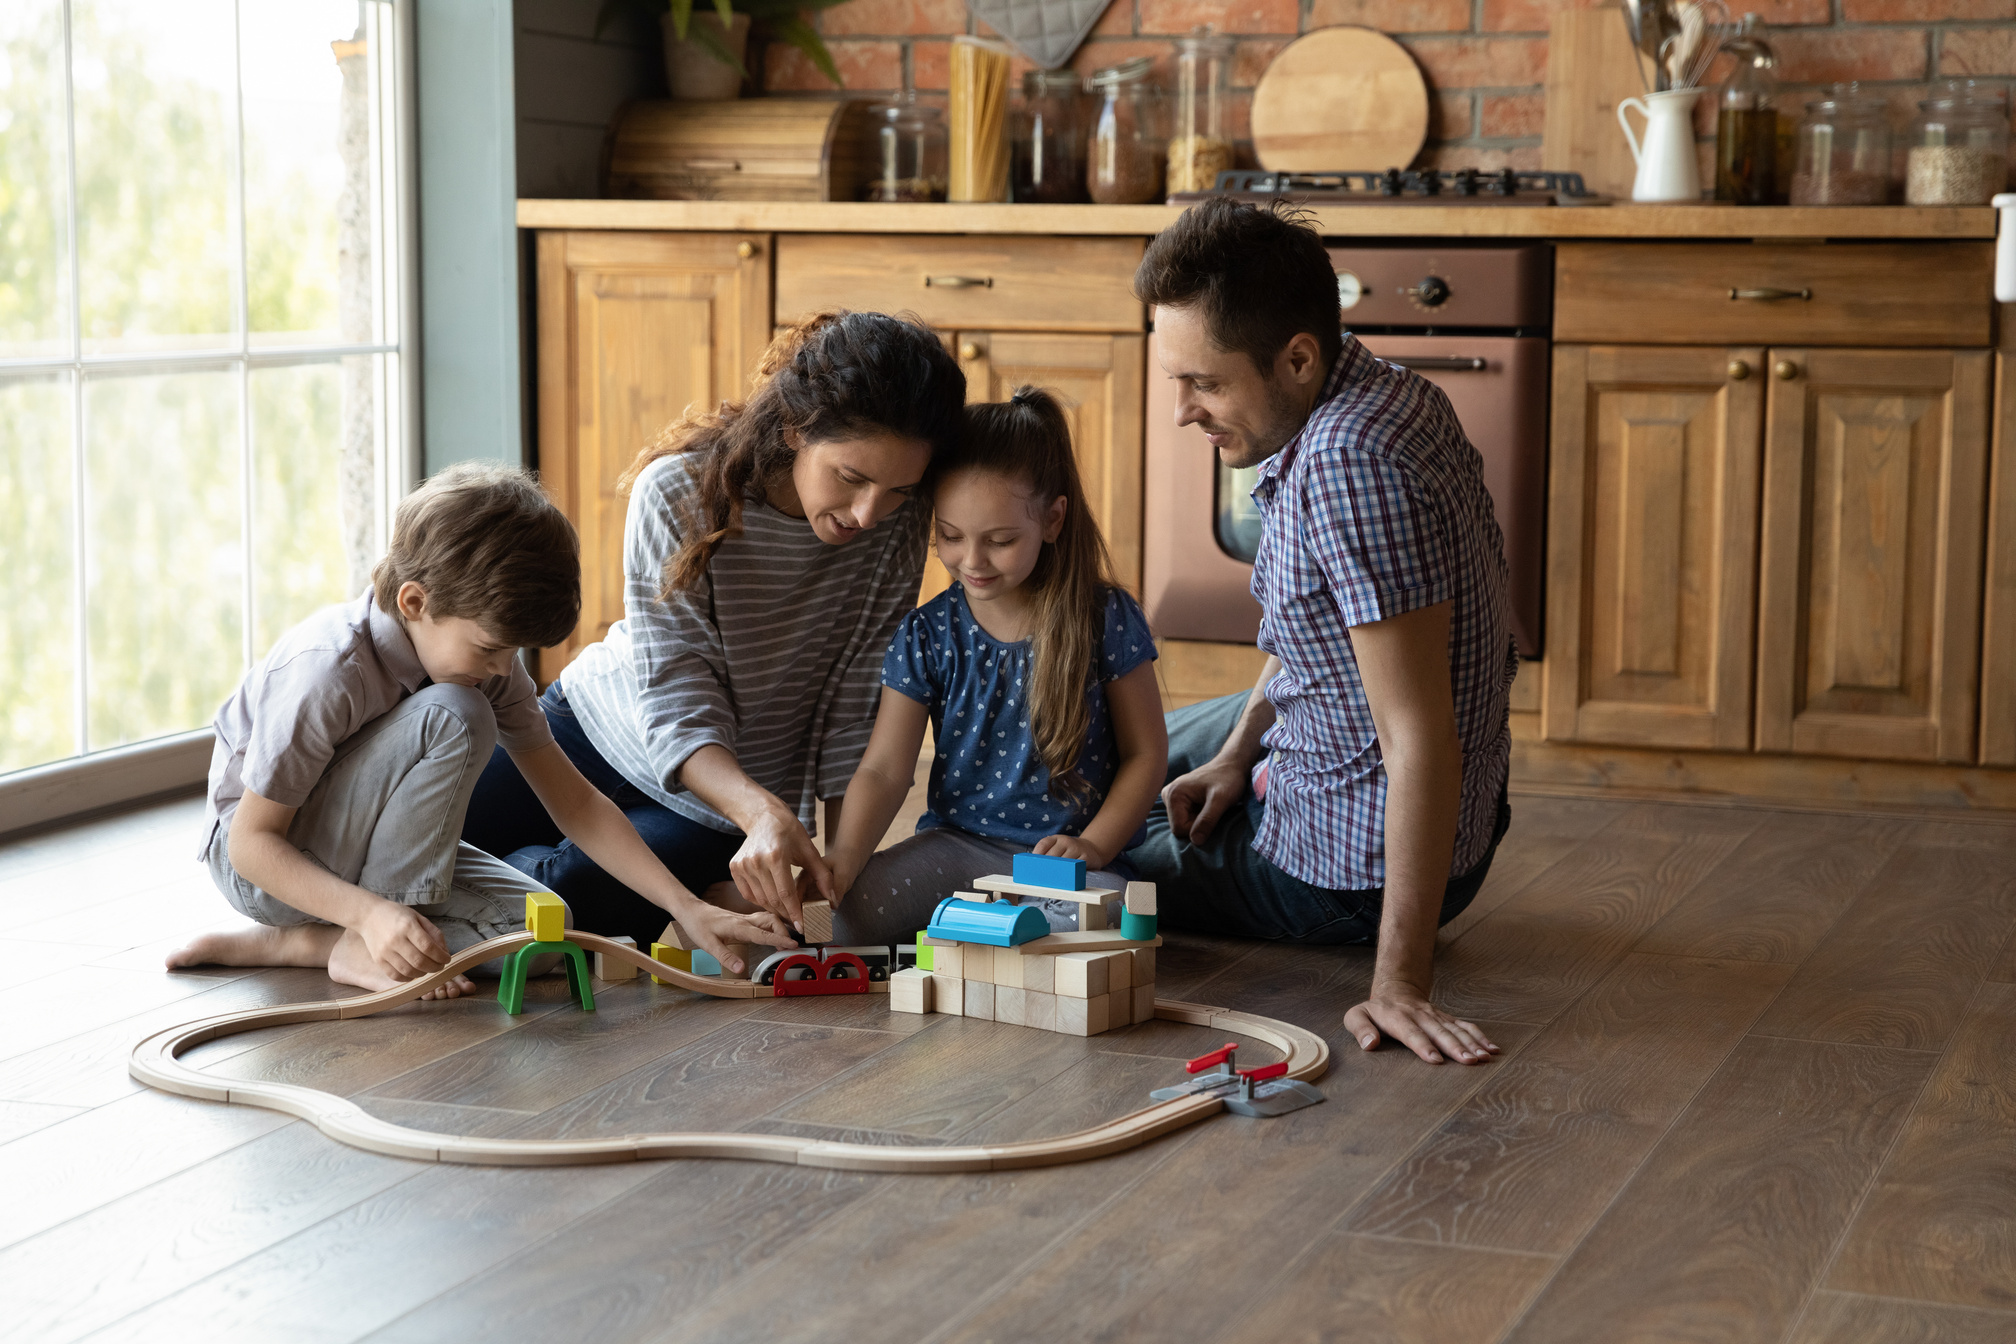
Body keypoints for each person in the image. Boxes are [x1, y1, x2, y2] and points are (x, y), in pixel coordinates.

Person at [1128, 198, 1517, 1067]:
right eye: (1175, 380)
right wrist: (1237, 755)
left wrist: (1400, 987)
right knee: (1118, 749)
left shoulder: (1349, 466)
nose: (1184, 412)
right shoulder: (1381, 385)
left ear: (1297, 358)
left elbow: (1419, 737)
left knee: (1080, 845)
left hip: (1352, 875)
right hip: (1377, 783)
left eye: (1205, 383)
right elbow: (1320, 635)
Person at [168, 463, 791, 998]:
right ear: (415, 602)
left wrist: (688, 906)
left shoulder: (479, 662)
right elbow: (251, 844)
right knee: (457, 715)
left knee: (546, 935)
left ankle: (307, 944)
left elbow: (573, 800)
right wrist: (372, 913)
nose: (502, 669)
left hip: (359, 862)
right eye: (491, 648)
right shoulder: (327, 671)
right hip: (270, 865)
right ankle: (358, 935)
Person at [462, 311, 970, 953]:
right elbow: (678, 690)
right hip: (585, 729)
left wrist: (839, 866)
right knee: (419, 842)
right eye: (851, 477)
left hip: (714, 803)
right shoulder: (677, 492)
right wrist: (762, 813)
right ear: (794, 428)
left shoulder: (896, 524)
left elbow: (854, 705)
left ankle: (538, 876)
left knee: (566, 917)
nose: (869, 513)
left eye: (898, 489)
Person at [823, 387, 1168, 946]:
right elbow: (885, 770)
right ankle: (974, 935)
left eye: (1001, 540)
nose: (972, 562)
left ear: (1053, 520)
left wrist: (1095, 846)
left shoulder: (1106, 617)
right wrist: (839, 866)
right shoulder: (926, 634)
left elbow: (1146, 754)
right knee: (838, 921)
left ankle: (971, 938)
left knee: (1112, 921)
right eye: (951, 537)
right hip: (951, 851)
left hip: (1066, 870)